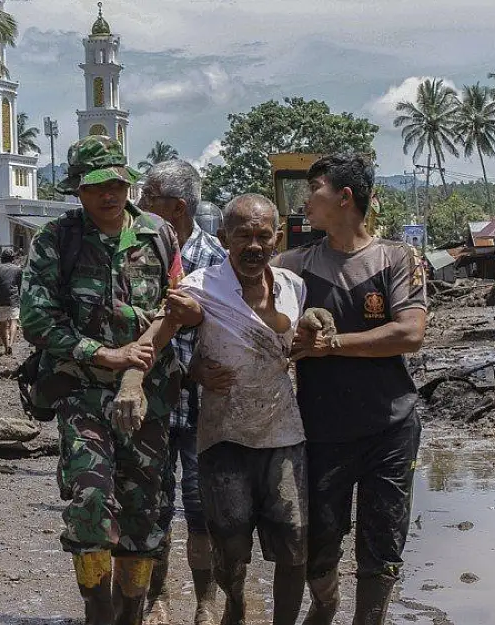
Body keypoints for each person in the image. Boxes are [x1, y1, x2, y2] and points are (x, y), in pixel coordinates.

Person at [20, 135, 184, 625]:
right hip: (82, 392)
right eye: (96, 187)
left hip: (149, 396)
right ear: (77, 190)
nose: (109, 195)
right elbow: (36, 320)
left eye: (116, 183)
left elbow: (174, 306)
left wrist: (135, 368)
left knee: (143, 508)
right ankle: (97, 611)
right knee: (91, 501)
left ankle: (130, 612)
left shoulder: (158, 234)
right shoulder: (57, 240)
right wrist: (107, 355)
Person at [273, 153, 427, 625]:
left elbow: (410, 334)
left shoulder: (397, 257)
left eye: (314, 188)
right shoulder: (293, 267)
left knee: (382, 542)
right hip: (322, 429)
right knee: (318, 539)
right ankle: (325, 606)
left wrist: (331, 345)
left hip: (390, 426)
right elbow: (265, 320)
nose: (305, 200)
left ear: (344, 198)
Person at [169, 194, 309, 625]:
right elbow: (161, 342)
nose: (252, 245)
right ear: (224, 237)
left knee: (293, 536)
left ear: (276, 238)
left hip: (283, 431)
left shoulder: (293, 286)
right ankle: (236, 608)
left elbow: (299, 346)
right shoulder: (199, 288)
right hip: (222, 433)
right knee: (230, 541)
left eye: (262, 236)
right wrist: (192, 369)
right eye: (242, 235)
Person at [139, 160, 226, 625]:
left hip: (199, 409)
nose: (140, 206)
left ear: (174, 207)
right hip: (149, 406)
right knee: (153, 508)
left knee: (200, 510)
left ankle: (206, 602)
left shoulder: (215, 260)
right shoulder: (136, 252)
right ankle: (157, 597)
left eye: (147, 199)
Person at [0, 247, 23, 355]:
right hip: (14, 298)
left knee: (2, 323)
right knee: (14, 321)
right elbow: (20, 286)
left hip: (0, 299)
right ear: (12, 258)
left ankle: (6, 347)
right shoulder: (18, 269)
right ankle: (11, 344)